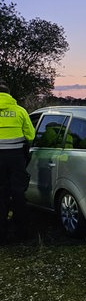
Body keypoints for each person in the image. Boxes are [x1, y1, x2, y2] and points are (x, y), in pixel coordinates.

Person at [0, 80, 36, 243]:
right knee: (18, 193)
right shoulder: (20, 111)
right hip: (16, 158)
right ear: (9, 95)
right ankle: (22, 232)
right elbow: (31, 135)